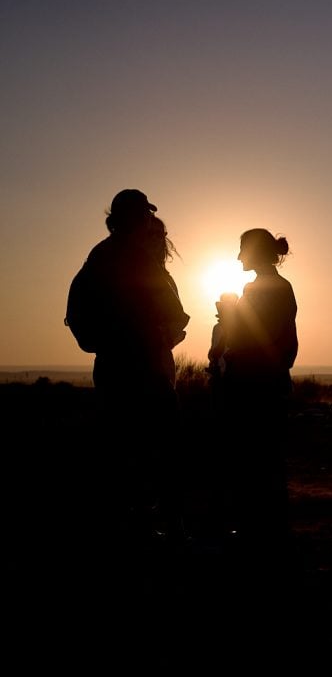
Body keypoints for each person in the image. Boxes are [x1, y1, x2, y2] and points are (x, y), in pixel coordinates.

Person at [69, 189, 190, 539]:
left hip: (110, 368)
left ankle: (128, 526)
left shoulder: (97, 256)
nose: (152, 222)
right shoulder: (137, 259)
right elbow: (174, 312)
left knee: (121, 450)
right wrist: (163, 329)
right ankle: (171, 526)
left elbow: (77, 314)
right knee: (165, 448)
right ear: (139, 219)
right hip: (146, 368)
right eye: (148, 217)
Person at [222, 228, 298, 545]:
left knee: (256, 457)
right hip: (269, 379)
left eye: (243, 250)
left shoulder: (263, 289)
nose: (239, 256)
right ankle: (268, 528)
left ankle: (261, 530)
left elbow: (252, 336)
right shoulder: (277, 286)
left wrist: (230, 324)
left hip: (256, 382)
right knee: (265, 457)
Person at [207, 292, 238, 410]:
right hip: (218, 375)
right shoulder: (217, 328)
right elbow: (213, 352)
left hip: (231, 376)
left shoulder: (238, 328)